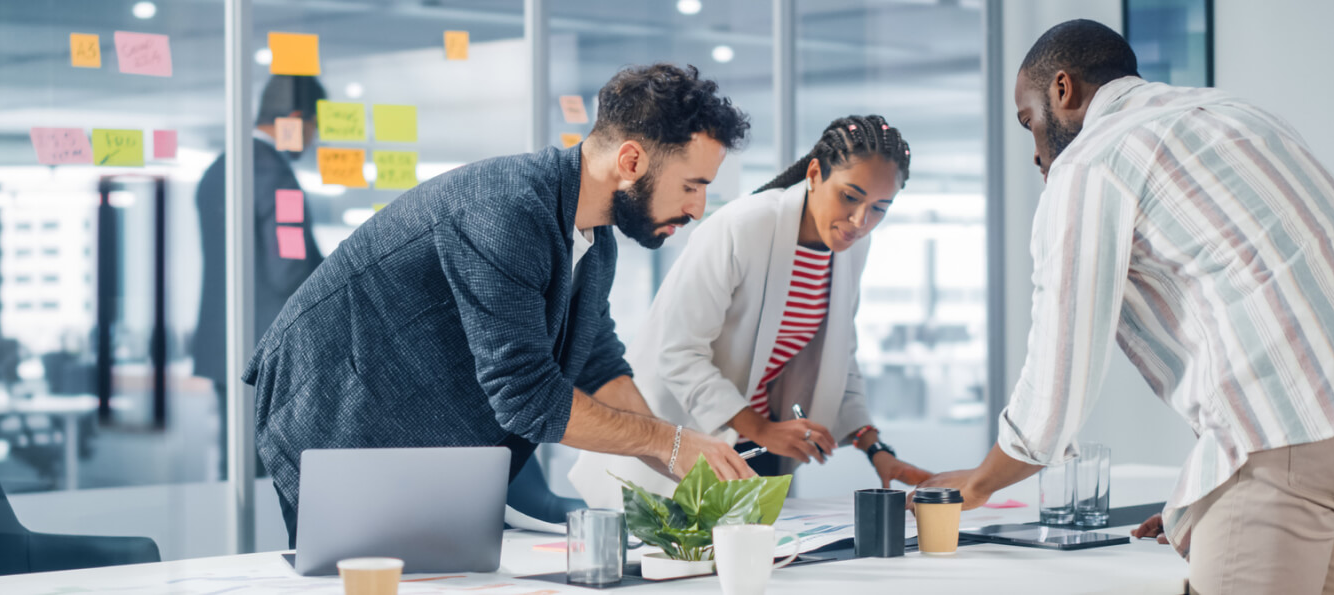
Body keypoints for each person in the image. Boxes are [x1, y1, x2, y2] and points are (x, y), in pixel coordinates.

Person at [919, 20, 1334, 595]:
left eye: (1028, 121)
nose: (1035, 153)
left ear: (1063, 90)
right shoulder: (1240, 117)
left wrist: (981, 483)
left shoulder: (1091, 161)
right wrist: (1210, 494)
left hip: (1296, 430)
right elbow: (1265, 307)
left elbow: (1061, 368)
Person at [244, 63, 757, 546]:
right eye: (692, 186)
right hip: (341, 412)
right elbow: (528, 397)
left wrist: (680, 462)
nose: (697, 208)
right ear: (630, 162)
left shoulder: (594, 240)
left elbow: (599, 366)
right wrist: (667, 441)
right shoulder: (506, 210)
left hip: (425, 427)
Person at [570, 115, 932, 507]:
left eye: (880, 208)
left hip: (756, 449)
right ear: (814, 173)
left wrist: (876, 449)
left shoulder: (851, 248)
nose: (861, 221)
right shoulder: (745, 226)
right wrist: (760, 428)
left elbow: (840, 357)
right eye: (850, 196)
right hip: (681, 443)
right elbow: (678, 353)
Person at [194, 74, 327, 478]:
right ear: (297, 119)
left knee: (236, 466)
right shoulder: (276, 175)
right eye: (315, 128)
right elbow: (289, 268)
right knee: (273, 470)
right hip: (271, 354)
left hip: (225, 348)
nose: (314, 140)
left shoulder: (219, 168)